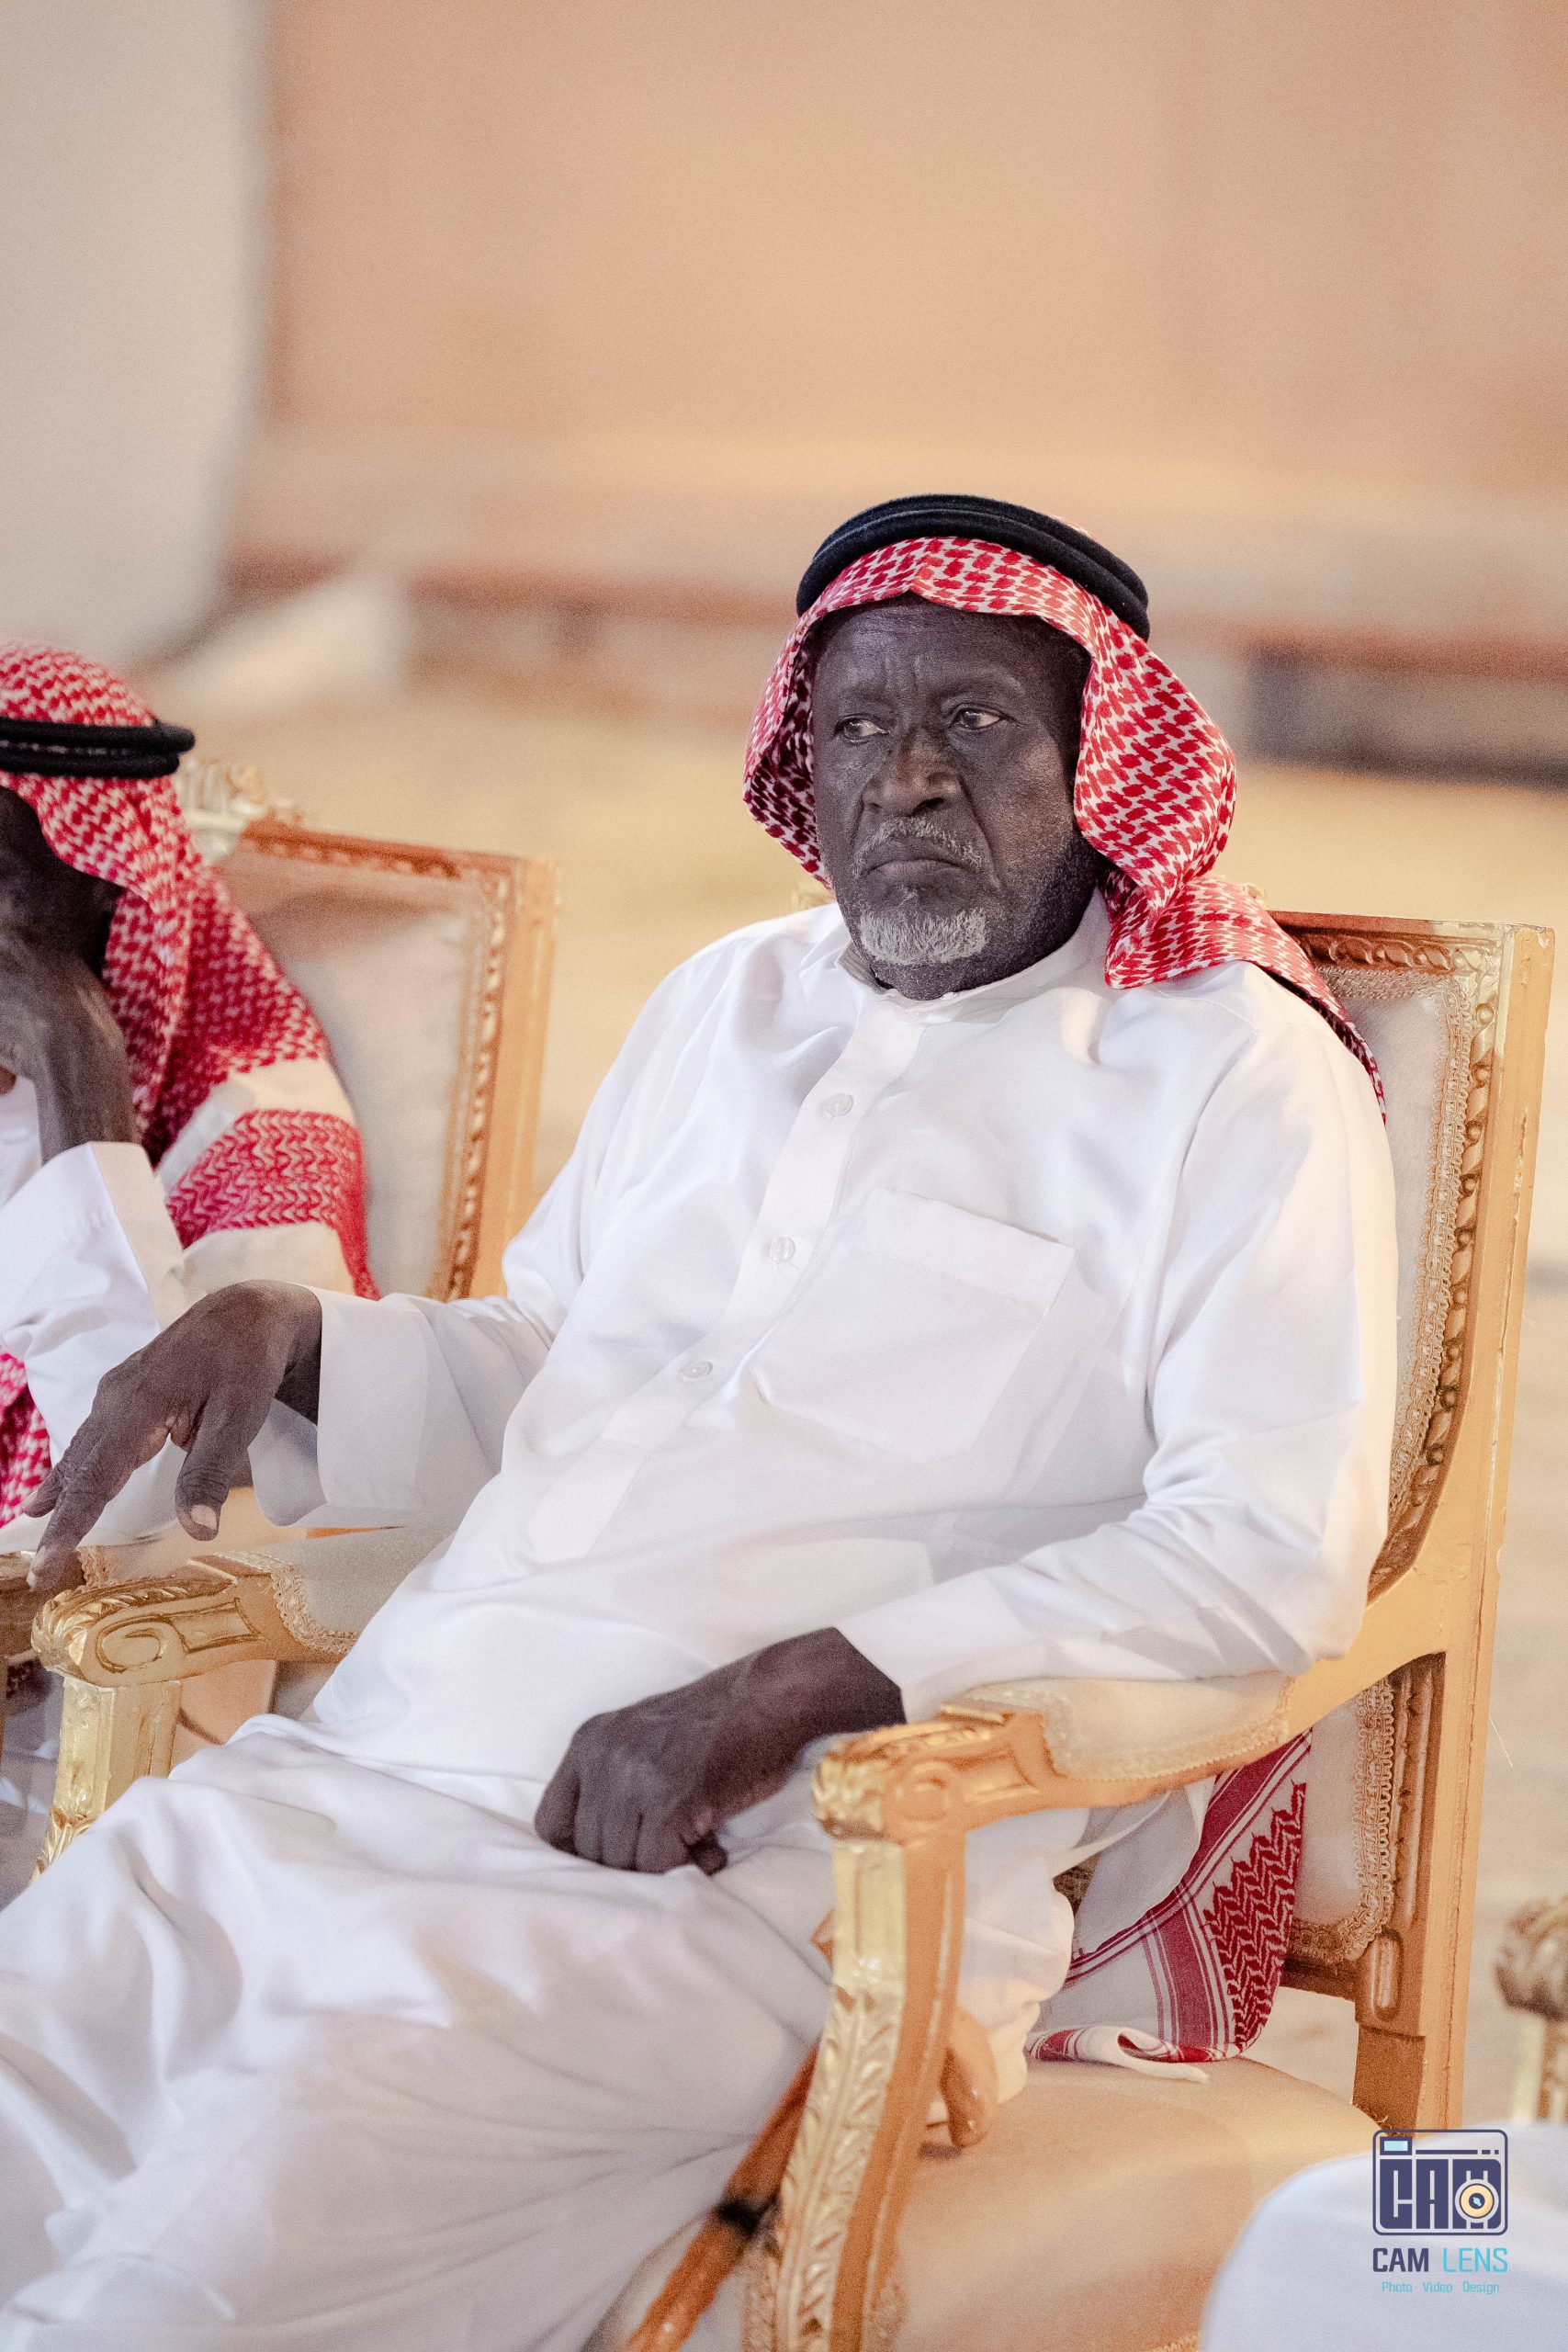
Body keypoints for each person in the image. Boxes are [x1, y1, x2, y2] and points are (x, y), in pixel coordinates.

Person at [0, 502, 1397, 2351]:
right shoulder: (721, 1003)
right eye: (854, 726)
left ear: (1100, 758)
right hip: (340, 1791)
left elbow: (1259, 1553)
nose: (904, 776)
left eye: (975, 722)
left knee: (170, 2300)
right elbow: (557, 1364)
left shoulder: (1231, 1073)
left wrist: (776, 1695)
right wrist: (304, 1338)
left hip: (712, 1897)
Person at [0, 643, 372, 1897]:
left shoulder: (266, 1137)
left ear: (117, 897)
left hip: (95, 1749)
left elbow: (161, 1532)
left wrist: (80, 1090)